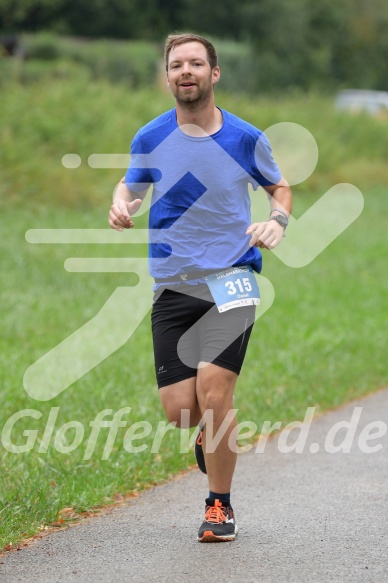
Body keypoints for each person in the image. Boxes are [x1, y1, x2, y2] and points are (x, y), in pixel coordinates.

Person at [108, 33, 292, 543]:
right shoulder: (150, 137)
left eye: (195, 63)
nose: (185, 71)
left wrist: (277, 220)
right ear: (168, 77)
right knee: (181, 412)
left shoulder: (244, 138)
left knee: (215, 389)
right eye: (175, 65)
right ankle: (212, 441)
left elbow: (280, 186)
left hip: (232, 277)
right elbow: (132, 184)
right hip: (173, 286)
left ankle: (220, 506)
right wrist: (121, 202)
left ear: (214, 74)